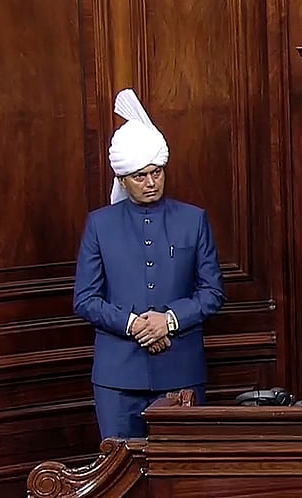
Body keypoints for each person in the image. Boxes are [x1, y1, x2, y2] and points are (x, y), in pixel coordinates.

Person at [74, 89, 225, 439]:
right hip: (117, 377)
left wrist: (168, 321)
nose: (150, 182)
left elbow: (213, 292)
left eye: (156, 172)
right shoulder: (100, 224)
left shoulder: (193, 219)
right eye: (140, 176)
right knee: (120, 476)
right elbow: (85, 299)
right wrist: (135, 326)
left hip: (181, 372)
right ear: (123, 179)